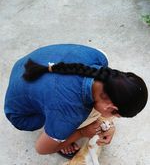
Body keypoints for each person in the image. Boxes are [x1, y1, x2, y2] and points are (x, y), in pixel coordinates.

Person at [4, 44, 148, 158]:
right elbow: (41, 149)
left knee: (81, 110)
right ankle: (60, 136)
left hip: (28, 65)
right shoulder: (70, 111)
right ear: (111, 106)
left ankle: (59, 132)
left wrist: (105, 120)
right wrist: (82, 132)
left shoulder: (99, 57)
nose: (113, 118)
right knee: (69, 122)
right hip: (20, 114)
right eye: (115, 115)